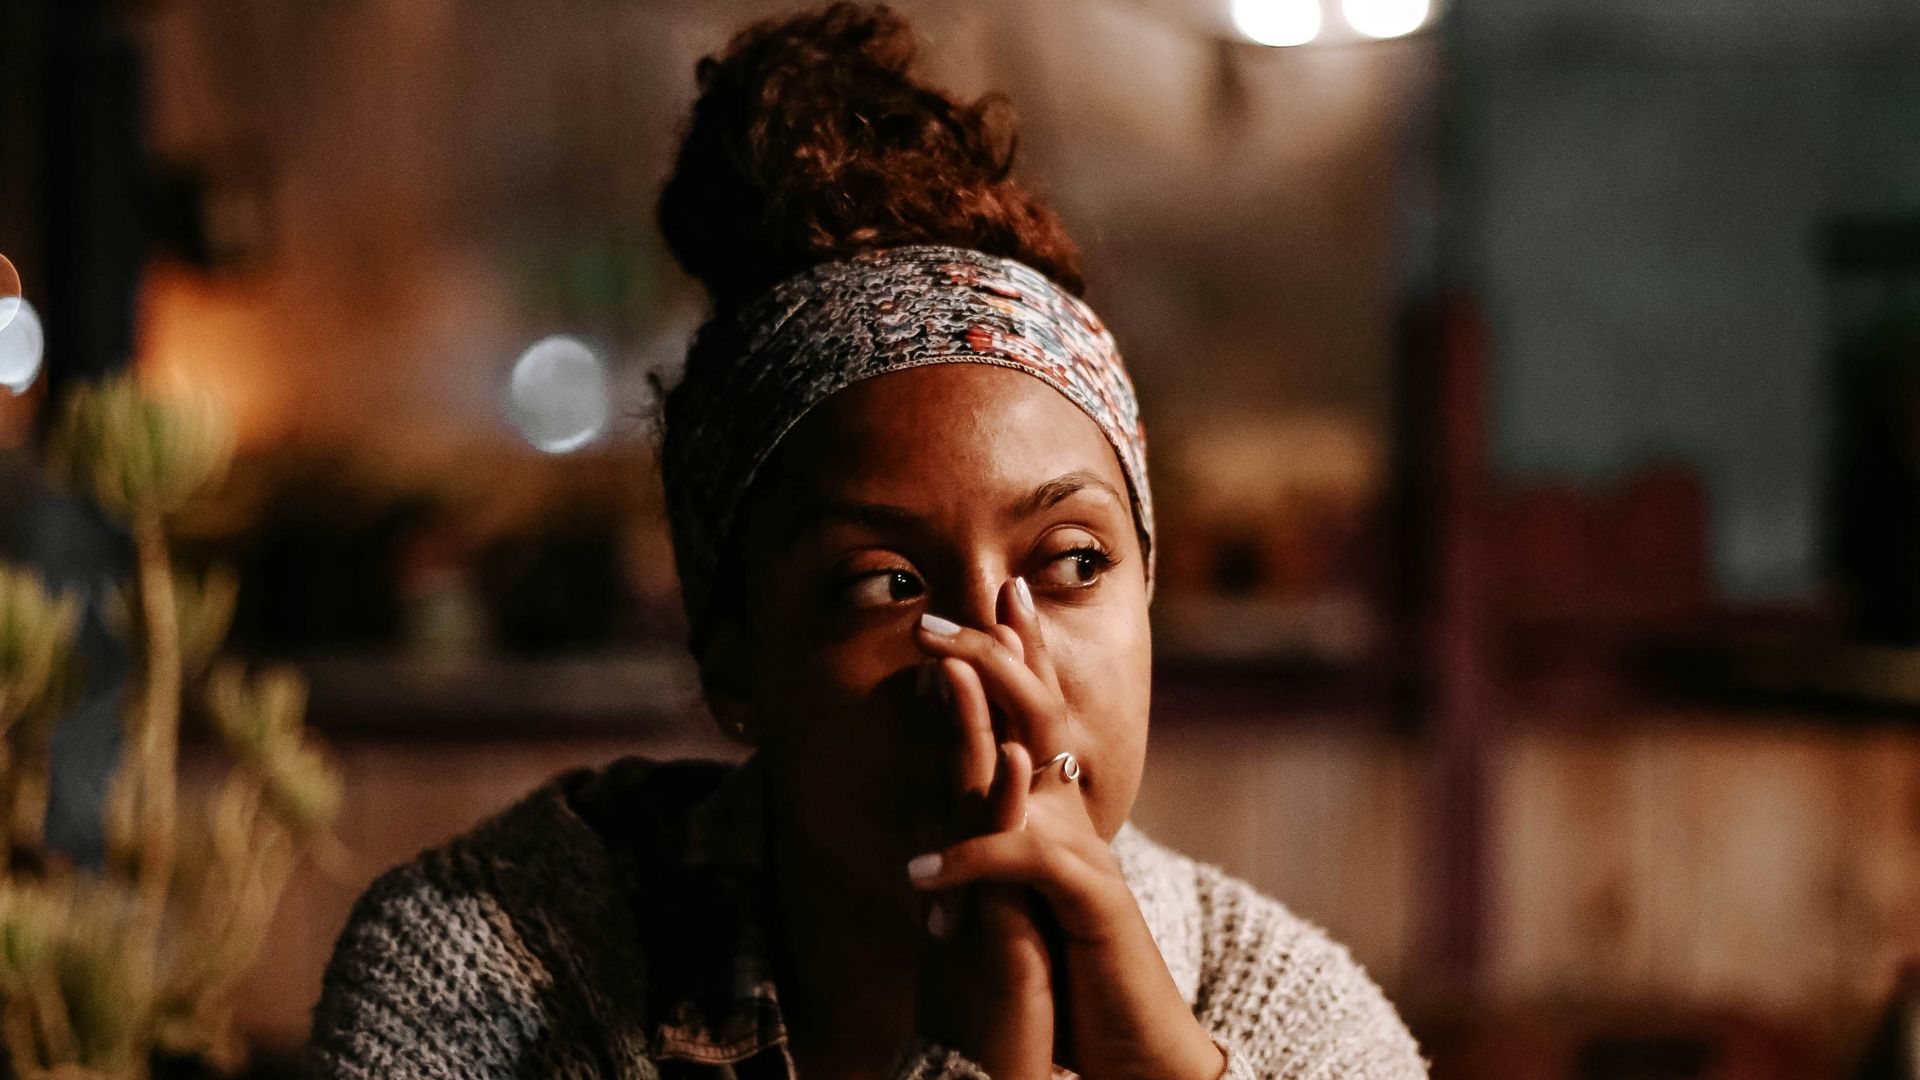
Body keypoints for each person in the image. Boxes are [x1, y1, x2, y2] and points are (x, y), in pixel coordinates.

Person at [305, 5, 1428, 1078]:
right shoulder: (492, 968)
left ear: (1148, 588)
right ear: (733, 650)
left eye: (1074, 562)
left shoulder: (1293, 1019)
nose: (995, 659)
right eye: (888, 584)